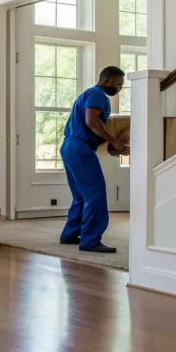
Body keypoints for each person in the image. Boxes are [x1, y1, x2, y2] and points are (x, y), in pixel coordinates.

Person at [59, 66, 127, 253]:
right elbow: (92, 121)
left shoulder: (88, 94)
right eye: (118, 84)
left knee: (81, 195)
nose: (119, 89)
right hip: (80, 147)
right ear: (106, 80)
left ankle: (70, 234)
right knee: (95, 194)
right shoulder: (98, 95)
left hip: (69, 146)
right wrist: (113, 140)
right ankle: (90, 241)